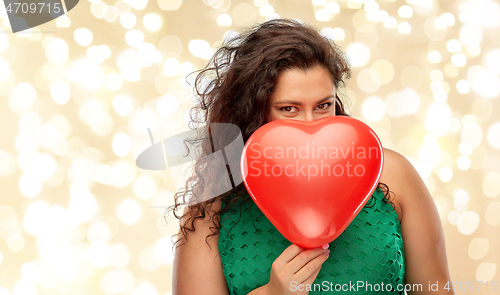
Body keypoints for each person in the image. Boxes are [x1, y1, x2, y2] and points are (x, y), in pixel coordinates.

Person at [170, 19, 454, 295]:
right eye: (289, 109)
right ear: (251, 113)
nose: (310, 124)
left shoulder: (393, 176)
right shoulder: (209, 212)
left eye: (322, 105)